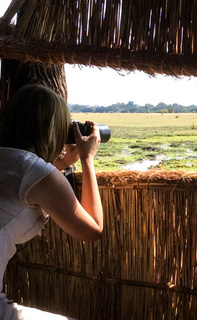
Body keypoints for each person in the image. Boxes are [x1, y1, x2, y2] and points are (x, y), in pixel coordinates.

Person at [0, 84, 104, 319]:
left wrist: (62, 163)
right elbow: (93, 230)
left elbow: (24, 185)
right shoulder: (35, 172)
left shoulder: (13, 162)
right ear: (52, 129)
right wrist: (87, 159)